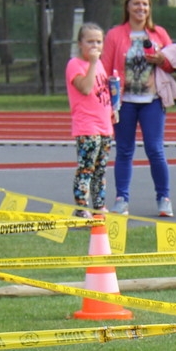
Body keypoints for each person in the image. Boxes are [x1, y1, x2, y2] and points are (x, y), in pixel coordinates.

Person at [103, 0, 174, 217]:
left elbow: (173, 63)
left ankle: (163, 198)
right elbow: (105, 69)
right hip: (124, 101)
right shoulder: (115, 35)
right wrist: (108, 102)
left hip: (152, 100)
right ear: (127, 7)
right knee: (124, 151)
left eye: (145, 4)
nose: (140, 8)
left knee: (155, 149)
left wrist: (161, 59)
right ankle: (122, 199)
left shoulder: (159, 33)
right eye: (136, 4)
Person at [66, 23, 116, 215]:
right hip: (87, 126)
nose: (95, 46)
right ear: (80, 43)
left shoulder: (100, 64)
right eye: (90, 42)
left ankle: (99, 206)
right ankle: (80, 207)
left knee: (100, 170)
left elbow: (101, 91)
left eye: (98, 41)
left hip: (104, 125)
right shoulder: (75, 65)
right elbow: (86, 88)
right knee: (86, 168)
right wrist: (93, 63)